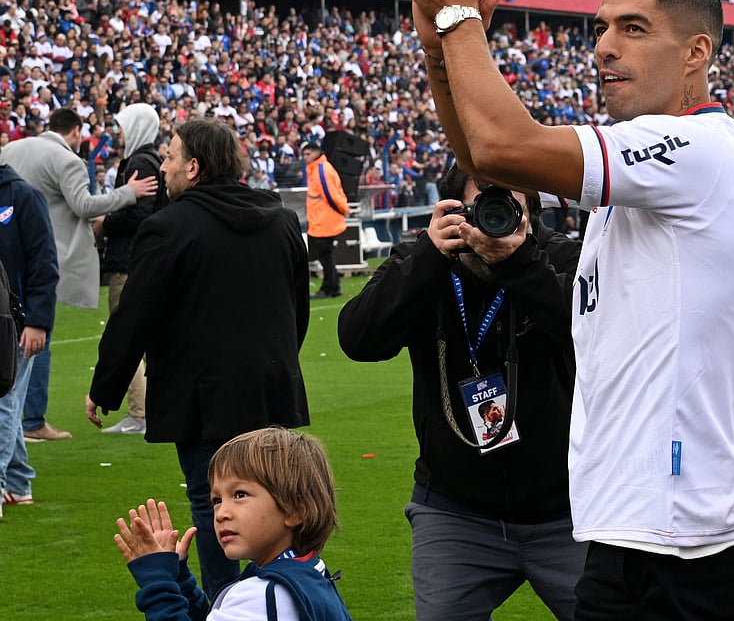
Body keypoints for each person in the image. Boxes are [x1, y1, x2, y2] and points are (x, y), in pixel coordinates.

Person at [395, 0, 734, 621]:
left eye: (633, 29)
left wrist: (457, 17)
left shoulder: (697, 150)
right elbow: (483, 161)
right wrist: (436, 49)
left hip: (684, 536)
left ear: (696, 53)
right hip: (636, 522)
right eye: (600, 27)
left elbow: (505, 146)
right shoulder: (648, 155)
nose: (604, 46)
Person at [338, 163, 586, 620]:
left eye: (509, 206)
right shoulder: (425, 258)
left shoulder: (562, 258)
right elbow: (358, 339)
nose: (493, 220)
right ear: (455, 210)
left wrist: (520, 263)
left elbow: (590, 343)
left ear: (531, 211)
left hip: (567, 509)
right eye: (481, 205)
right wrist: (430, 257)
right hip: (455, 511)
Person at [87, 119, 311, 600]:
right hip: (268, 388)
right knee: (273, 497)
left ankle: (227, 605)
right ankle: (284, 595)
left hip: (203, 397)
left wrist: (104, 387)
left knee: (216, 504)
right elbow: (298, 310)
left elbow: (135, 317)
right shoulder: (280, 218)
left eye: (169, 157)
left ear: (193, 167)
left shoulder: (168, 226)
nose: (162, 166)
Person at [0, 108, 157, 442]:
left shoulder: (13, 150)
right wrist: (129, 193)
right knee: (38, 340)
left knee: (9, 338)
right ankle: (33, 421)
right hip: (46, 258)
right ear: (75, 131)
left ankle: (15, 434)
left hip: (7, 259)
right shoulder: (67, 160)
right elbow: (84, 205)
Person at [113, 427, 352, 621]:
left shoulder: (265, 594)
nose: (221, 514)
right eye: (216, 500)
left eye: (239, 495)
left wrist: (157, 582)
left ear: (295, 510)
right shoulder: (309, 571)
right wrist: (179, 579)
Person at [94, 103, 169, 436]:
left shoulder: (139, 162)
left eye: (122, 126)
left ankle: (138, 412)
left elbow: (140, 214)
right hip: (141, 259)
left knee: (126, 335)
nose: (118, 133)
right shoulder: (154, 160)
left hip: (129, 261)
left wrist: (106, 220)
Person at [0, 158, 57, 516]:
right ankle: (18, 483)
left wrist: (38, 321)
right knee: (8, 402)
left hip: (15, 322)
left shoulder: (23, 196)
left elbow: (44, 262)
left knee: (4, 403)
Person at [303, 142, 349, 300]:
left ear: (316, 153)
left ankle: (329, 288)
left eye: (308, 154)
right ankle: (333, 286)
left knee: (325, 257)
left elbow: (331, 195)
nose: (305, 157)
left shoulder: (321, 170)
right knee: (326, 257)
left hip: (325, 222)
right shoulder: (317, 169)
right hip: (321, 221)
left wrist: (344, 210)